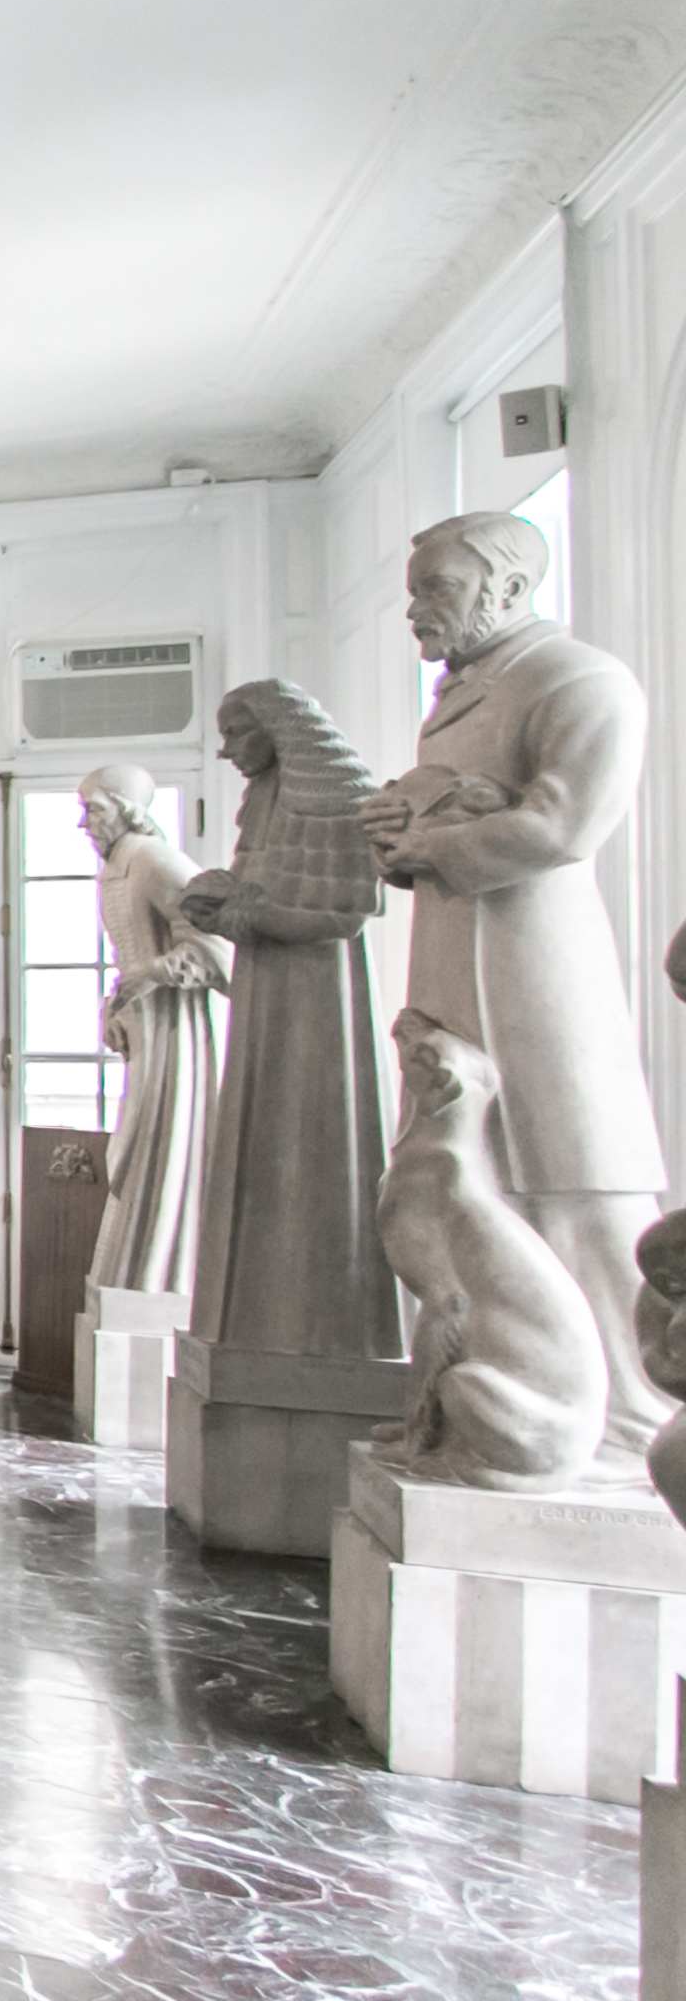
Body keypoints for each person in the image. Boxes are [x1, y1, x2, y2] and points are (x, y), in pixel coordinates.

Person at [358, 511, 667, 1467]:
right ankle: (463, 1397)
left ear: (506, 589)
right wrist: (408, 824)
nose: (417, 609)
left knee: (565, 1170)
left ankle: (625, 1418)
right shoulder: (464, 693)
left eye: (436, 590)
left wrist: (434, 837)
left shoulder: (577, 678)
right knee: (468, 1172)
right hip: (457, 946)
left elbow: (564, 825)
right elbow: (467, 806)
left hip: (540, 964)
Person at [177, 682, 397, 1360]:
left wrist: (245, 914)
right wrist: (225, 903)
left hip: (316, 1006)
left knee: (307, 1145)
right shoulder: (265, 797)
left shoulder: (331, 802)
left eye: (239, 731)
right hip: (269, 992)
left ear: (282, 729)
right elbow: (266, 891)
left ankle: (302, 1324)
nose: (226, 747)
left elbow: (336, 915)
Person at [81, 763, 225, 1298]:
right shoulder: (118, 868)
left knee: (160, 1138)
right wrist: (114, 1006)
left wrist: (151, 975)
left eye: (94, 810)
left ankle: (160, 1266)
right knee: (134, 1147)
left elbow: (216, 946)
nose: (84, 824)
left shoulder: (155, 862)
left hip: (173, 1027)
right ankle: (134, 1262)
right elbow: (126, 957)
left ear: (127, 810)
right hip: (142, 1023)